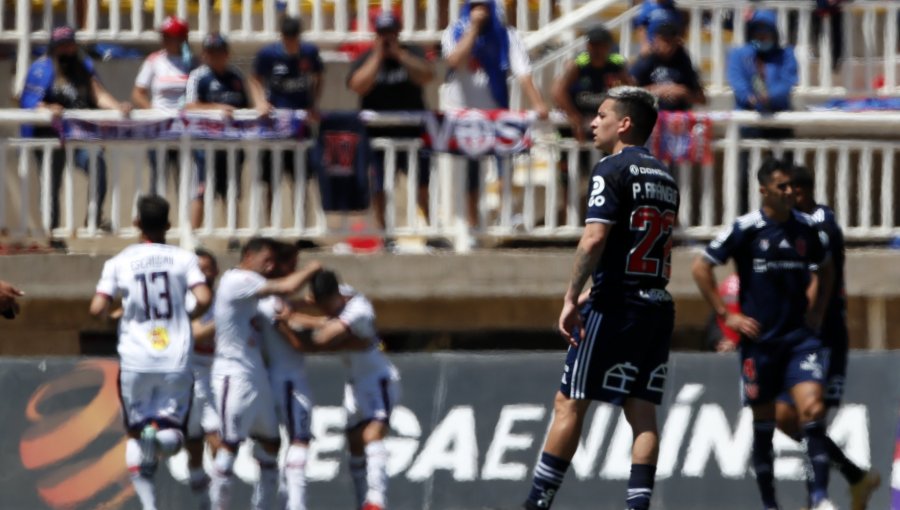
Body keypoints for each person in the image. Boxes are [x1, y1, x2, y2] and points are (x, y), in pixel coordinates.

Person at [521, 86, 678, 510]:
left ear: (624, 123)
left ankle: (537, 504)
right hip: (657, 303)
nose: (593, 122)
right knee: (642, 410)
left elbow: (594, 239)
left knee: (570, 401)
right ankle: (638, 506)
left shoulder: (611, 168)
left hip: (615, 306)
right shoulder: (665, 176)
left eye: (602, 115)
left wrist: (573, 296)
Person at [692, 157, 837, 510]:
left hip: (801, 340)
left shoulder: (806, 228)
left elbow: (826, 268)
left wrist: (817, 310)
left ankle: (818, 498)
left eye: (792, 186)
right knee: (764, 424)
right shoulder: (746, 228)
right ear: (764, 190)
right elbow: (700, 267)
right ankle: (770, 504)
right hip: (761, 343)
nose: (790, 193)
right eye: (782, 187)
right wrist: (728, 314)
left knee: (813, 408)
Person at [88, 195, 212, 510]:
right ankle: (158, 438)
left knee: (133, 431)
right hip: (175, 356)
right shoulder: (184, 259)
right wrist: (187, 315)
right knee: (173, 431)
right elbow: (204, 296)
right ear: (168, 225)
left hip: (135, 358)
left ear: (136, 223)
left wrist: (116, 313)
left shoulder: (119, 261)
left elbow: (97, 308)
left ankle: (149, 505)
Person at [778, 164, 880, 509]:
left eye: (784, 189)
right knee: (784, 418)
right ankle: (855, 476)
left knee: (811, 414)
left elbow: (817, 281)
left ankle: (817, 499)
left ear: (799, 192)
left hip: (824, 336)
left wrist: (806, 320)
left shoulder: (821, 226)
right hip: (798, 336)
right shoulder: (789, 226)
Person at [208, 237, 320, 510]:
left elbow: (284, 302)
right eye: (265, 260)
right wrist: (315, 266)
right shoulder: (238, 280)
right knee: (229, 446)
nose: (269, 266)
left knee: (271, 445)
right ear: (248, 255)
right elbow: (287, 287)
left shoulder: (253, 291)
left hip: (256, 375)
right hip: (232, 373)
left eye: (273, 261)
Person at [283, 269, 400, 510]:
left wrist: (292, 320)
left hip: (378, 378)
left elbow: (322, 339)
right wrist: (286, 307)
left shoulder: (358, 310)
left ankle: (377, 501)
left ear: (334, 295)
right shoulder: (340, 296)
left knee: (372, 435)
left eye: (325, 303)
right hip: (355, 382)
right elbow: (308, 305)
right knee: (354, 443)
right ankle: (362, 501)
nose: (324, 308)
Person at [442, 0, 549, 229]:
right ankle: (471, 223)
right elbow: (454, 59)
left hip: (497, 110)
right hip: (466, 113)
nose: (480, 11)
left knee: (504, 164)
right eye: (474, 6)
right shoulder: (454, 31)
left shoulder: (507, 35)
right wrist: (473, 29)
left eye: (484, 6)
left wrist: (538, 104)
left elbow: (523, 72)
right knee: (470, 171)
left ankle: (506, 213)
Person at [19, 25, 132, 233]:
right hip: (50, 136)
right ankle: (51, 233)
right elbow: (28, 101)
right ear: (54, 47)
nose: (68, 50)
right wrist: (46, 107)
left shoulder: (83, 66)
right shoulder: (42, 68)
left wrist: (118, 106)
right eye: (63, 46)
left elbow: (98, 94)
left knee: (96, 162)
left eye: (71, 45)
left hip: (80, 134)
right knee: (51, 185)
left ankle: (94, 218)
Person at [347, 10, 435, 240]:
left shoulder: (412, 52)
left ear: (398, 33)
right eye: (383, 33)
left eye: (391, 33)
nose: (387, 38)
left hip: (412, 133)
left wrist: (399, 55)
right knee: (380, 186)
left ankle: (431, 228)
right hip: (378, 134)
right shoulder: (366, 58)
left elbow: (426, 75)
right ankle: (385, 233)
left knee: (422, 185)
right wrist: (378, 56)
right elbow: (358, 85)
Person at [256, 242, 316, 510]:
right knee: (299, 440)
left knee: (269, 447)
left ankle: (267, 504)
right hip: (289, 379)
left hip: (269, 378)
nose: (295, 268)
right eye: (292, 262)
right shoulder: (273, 303)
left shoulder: (261, 298)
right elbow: (296, 339)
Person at [249, 16, 324, 220]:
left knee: (301, 179)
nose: (291, 42)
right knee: (271, 180)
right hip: (274, 125)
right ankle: (270, 226)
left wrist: (313, 103)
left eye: (294, 38)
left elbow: (319, 77)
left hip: (300, 125)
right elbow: (254, 78)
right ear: (282, 36)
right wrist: (261, 102)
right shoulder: (268, 54)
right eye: (287, 37)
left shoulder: (309, 52)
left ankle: (302, 231)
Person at [727, 10, 798, 212]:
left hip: (779, 120)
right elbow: (738, 83)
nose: (762, 36)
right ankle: (745, 214)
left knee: (785, 172)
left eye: (766, 31)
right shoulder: (740, 55)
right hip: (750, 122)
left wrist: (769, 97)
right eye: (757, 31)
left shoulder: (786, 55)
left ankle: (787, 213)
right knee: (745, 175)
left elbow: (788, 83)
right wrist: (753, 99)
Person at [185, 32, 251, 230]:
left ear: (227, 54)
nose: (215, 56)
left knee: (232, 192)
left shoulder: (236, 77)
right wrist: (217, 108)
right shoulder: (199, 77)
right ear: (204, 55)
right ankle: (194, 235)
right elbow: (190, 106)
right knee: (202, 191)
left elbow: (246, 107)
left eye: (219, 52)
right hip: (206, 145)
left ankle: (234, 236)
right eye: (210, 53)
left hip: (232, 145)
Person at [132, 16, 198, 195]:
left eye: (170, 36)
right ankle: (156, 220)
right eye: (164, 36)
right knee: (158, 181)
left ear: (182, 38)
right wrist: (152, 112)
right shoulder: (154, 60)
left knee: (186, 183)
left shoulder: (193, 62)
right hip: (159, 130)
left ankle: (186, 222)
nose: (165, 40)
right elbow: (138, 93)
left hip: (185, 129)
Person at [183, 248, 222, 509]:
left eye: (208, 268)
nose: (204, 274)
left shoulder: (224, 300)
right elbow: (192, 334)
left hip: (216, 374)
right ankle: (201, 496)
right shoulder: (186, 301)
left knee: (217, 437)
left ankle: (220, 499)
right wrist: (223, 321)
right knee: (192, 440)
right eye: (199, 269)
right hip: (189, 373)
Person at [552, 25, 630, 144]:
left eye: (600, 45)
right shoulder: (578, 65)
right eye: (593, 45)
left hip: (603, 118)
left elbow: (631, 89)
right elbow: (558, 92)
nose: (596, 49)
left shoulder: (616, 65)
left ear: (608, 46)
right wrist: (574, 116)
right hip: (579, 115)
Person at [630, 10, 706, 111]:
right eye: (664, 41)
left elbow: (702, 99)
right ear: (656, 40)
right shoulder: (646, 60)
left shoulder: (683, 60)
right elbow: (629, 92)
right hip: (651, 116)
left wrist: (684, 93)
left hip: (678, 118)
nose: (668, 46)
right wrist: (657, 90)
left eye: (671, 41)